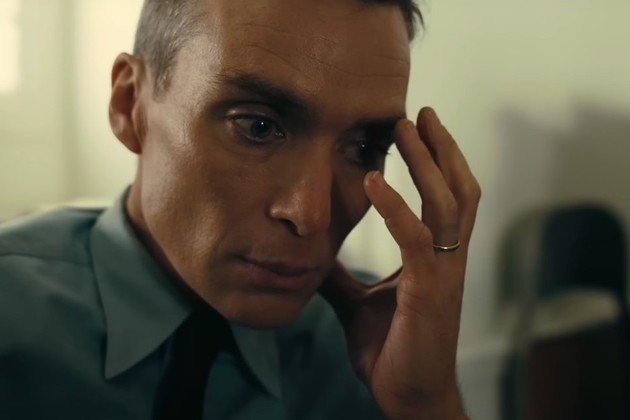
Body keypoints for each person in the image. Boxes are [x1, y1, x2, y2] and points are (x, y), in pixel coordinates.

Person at [0, 0, 480, 418]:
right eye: (257, 127)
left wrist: (425, 408)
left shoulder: (370, 346)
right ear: (130, 104)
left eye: (363, 148)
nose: (311, 215)